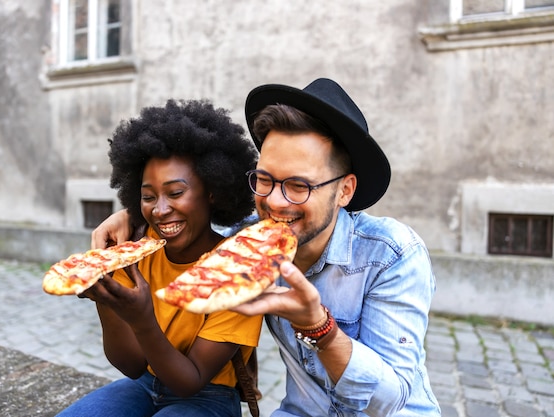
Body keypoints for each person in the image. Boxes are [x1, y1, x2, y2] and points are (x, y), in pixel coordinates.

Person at [91, 79, 441, 416]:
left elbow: (390, 403)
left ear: (345, 191)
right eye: (264, 179)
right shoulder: (249, 243)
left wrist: (319, 327)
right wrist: (133, 215)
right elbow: (196, 215)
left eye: (298, 185)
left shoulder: (392, 255)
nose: (274, 201)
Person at [59, 99, 263, 417]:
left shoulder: (239, 270)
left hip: (207, 395)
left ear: (212, 190)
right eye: (148, 196)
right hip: (142, 384)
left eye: (176, 193)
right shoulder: (137, 249)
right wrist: (105, 296)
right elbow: (131, 364)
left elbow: (190, 382)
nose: (160, 210)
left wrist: (142, 320)